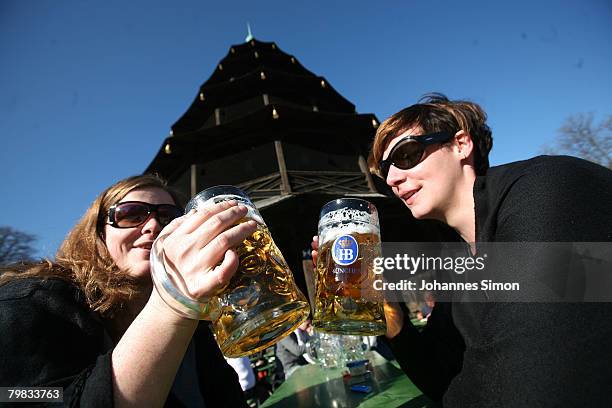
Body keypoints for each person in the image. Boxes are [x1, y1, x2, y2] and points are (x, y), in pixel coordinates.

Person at [313, 93, 612, 406]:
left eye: (406, 154)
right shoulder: (456, 262)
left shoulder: (546, 189)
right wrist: (393, 320)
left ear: (460, 144)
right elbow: (442, 378)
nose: (392, 178)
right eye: (384, 170)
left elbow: (527, 386)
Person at [0, 174, 258, 407]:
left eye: (169, 217)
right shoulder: (34, 301)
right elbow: (19, 396)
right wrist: (172, 303)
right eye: (132, 213)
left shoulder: (195, 328)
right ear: (99, 233)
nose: (153, 226)